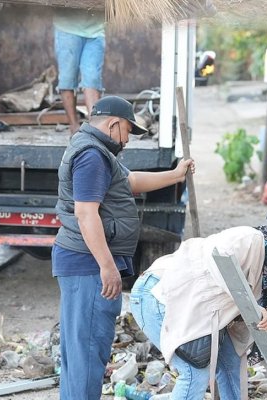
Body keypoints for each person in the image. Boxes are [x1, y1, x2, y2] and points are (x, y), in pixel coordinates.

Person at [52, 95, 195, 399]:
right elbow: (85, 213)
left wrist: (175, 175)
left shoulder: (96, 150)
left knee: (82, 353)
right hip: (87, 264)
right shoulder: (91, 155)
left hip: (82, 261)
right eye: (128, 130)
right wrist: (107, 266)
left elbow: (128, 182)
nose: (128, 139)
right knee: (88, 353)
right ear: (113, 124)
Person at [130, 209, 267, 400]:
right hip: (158, 294)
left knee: (230, 361)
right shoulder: (249, 239)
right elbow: (216, 259)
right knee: (194, 373)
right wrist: (251, 306)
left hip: (193, 308)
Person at [53, 7, 105, 134]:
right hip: (67, 28)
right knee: (67, 79)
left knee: (92, 78)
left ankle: (94, 129)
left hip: (96, 29)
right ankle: (74, 127)